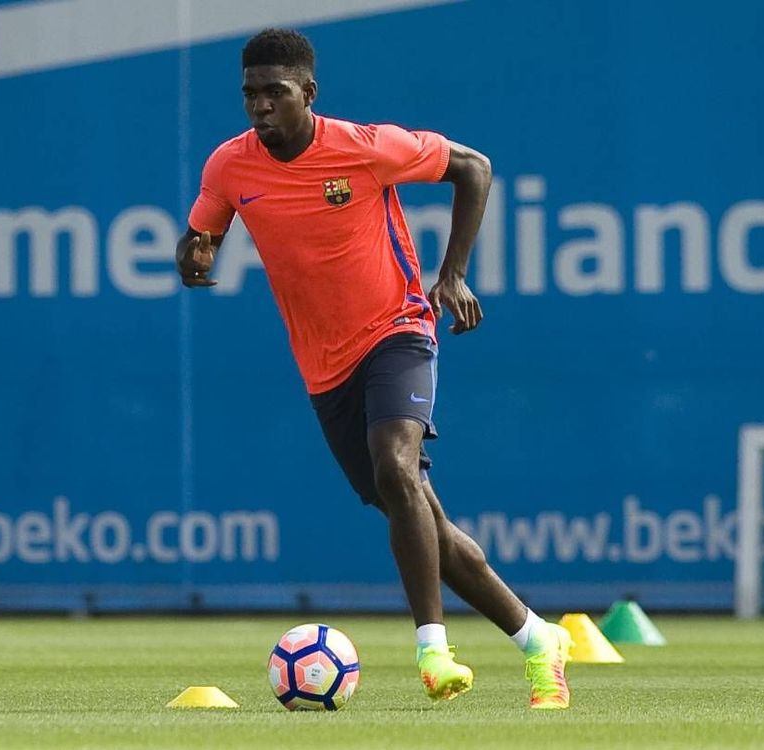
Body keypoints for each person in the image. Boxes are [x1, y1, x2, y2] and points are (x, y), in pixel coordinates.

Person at [176, 28, 572, 709]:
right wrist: (195, 253)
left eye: (275, 92)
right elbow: (204, 230)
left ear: (308, 93)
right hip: (324, 367)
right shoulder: (230, 165)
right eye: (250, 95)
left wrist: (453, 275)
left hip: (398, 330)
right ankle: (537, 639)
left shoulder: (363, 147)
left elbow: (473, 167)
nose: (261, 107)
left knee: (396, 465)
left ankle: (433, 650)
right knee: (419, 517)